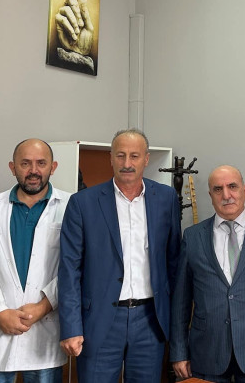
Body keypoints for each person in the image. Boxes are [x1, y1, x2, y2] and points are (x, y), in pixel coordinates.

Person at [58, 128, 181, 382]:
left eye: (134, 156)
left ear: (146, 159)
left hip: (150, 320)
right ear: (111, 158)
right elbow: (69, 270)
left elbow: (173, 262)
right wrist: (71, 327)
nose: (127, 163)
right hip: (99, 320)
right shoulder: (83, 203)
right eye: (120, 155)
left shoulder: (166, 198)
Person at [170, 165, 245, 382]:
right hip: (206, 351)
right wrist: (179, 351)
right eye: (218, 189)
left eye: (232, 187)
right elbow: (181, 301)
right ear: (210, 195)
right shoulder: (193, 236)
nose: (226, 195)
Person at [0, 139, 70, 382]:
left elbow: (74, 266)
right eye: (25, 163)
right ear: (12, 167)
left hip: (46, 326)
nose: (33, 170)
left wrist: (43, 307)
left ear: (53, 167)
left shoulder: (71, 205)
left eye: (41, 163)